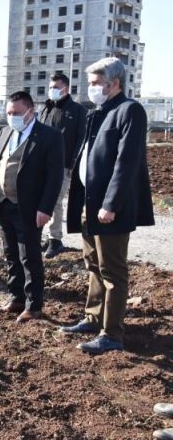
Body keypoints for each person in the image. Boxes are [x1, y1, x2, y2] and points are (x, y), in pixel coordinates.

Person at [60, 57, 154, 354]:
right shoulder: (97, 113)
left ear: (114, 83)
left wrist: (111, 204)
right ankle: (93, 317)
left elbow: (127, 162)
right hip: (90, 204)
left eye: (96, 83)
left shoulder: (130, 111)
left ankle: (111, 334)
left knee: (113, 270)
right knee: (93, 265)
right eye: (91, 83)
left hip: (110, 208)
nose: (91, 89)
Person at [0, 91, 64, 323]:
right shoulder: (7, 132)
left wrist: (46, 208)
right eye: (8, 113)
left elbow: (54, 177)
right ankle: (16, 297)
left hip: (29, 207)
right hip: (5, 204)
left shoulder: (49, 136)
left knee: (29, 256)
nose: (12, 117)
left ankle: (33, 305)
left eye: (16, 113)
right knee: (11, 254)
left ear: (30, 111)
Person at [39, 73, 88, 258]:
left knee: (55, 201)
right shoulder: (46, 109)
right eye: (51, 86)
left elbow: (81, 139)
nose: (52, 90)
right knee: (43, 200)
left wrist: (72, 164)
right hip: (43, 164)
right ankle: (47, 237)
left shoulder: (77, 111)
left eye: (56, 87)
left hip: (63, 166)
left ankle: (56, 240)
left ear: (66, 89)